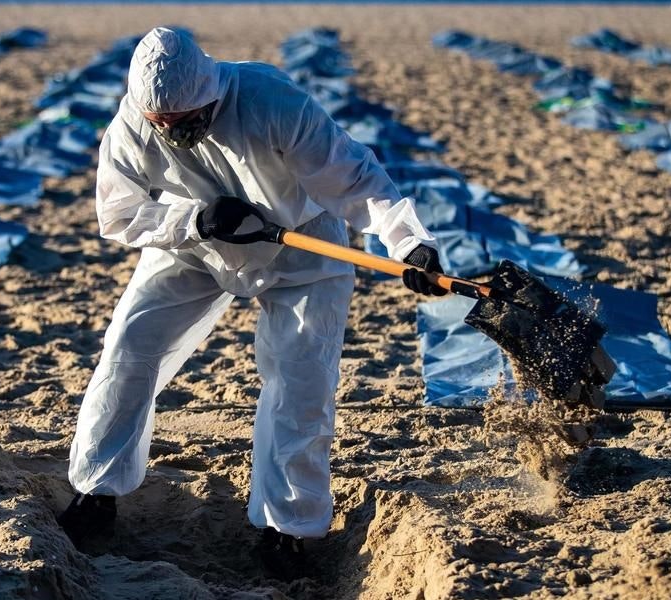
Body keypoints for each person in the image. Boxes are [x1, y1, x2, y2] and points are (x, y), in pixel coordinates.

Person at [58, 27, 447, 577]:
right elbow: (117, 214)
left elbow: (357, 179)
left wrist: (409, 243)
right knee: (129, 347)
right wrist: (194, 219)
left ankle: (284, 528)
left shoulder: (273, 102)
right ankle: (97, 490)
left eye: (183, 120)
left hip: (302, 242)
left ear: (211, 96)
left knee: (300, 380)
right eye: (159, 124)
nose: (170, 130)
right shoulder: (133, 124)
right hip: (194, 243)